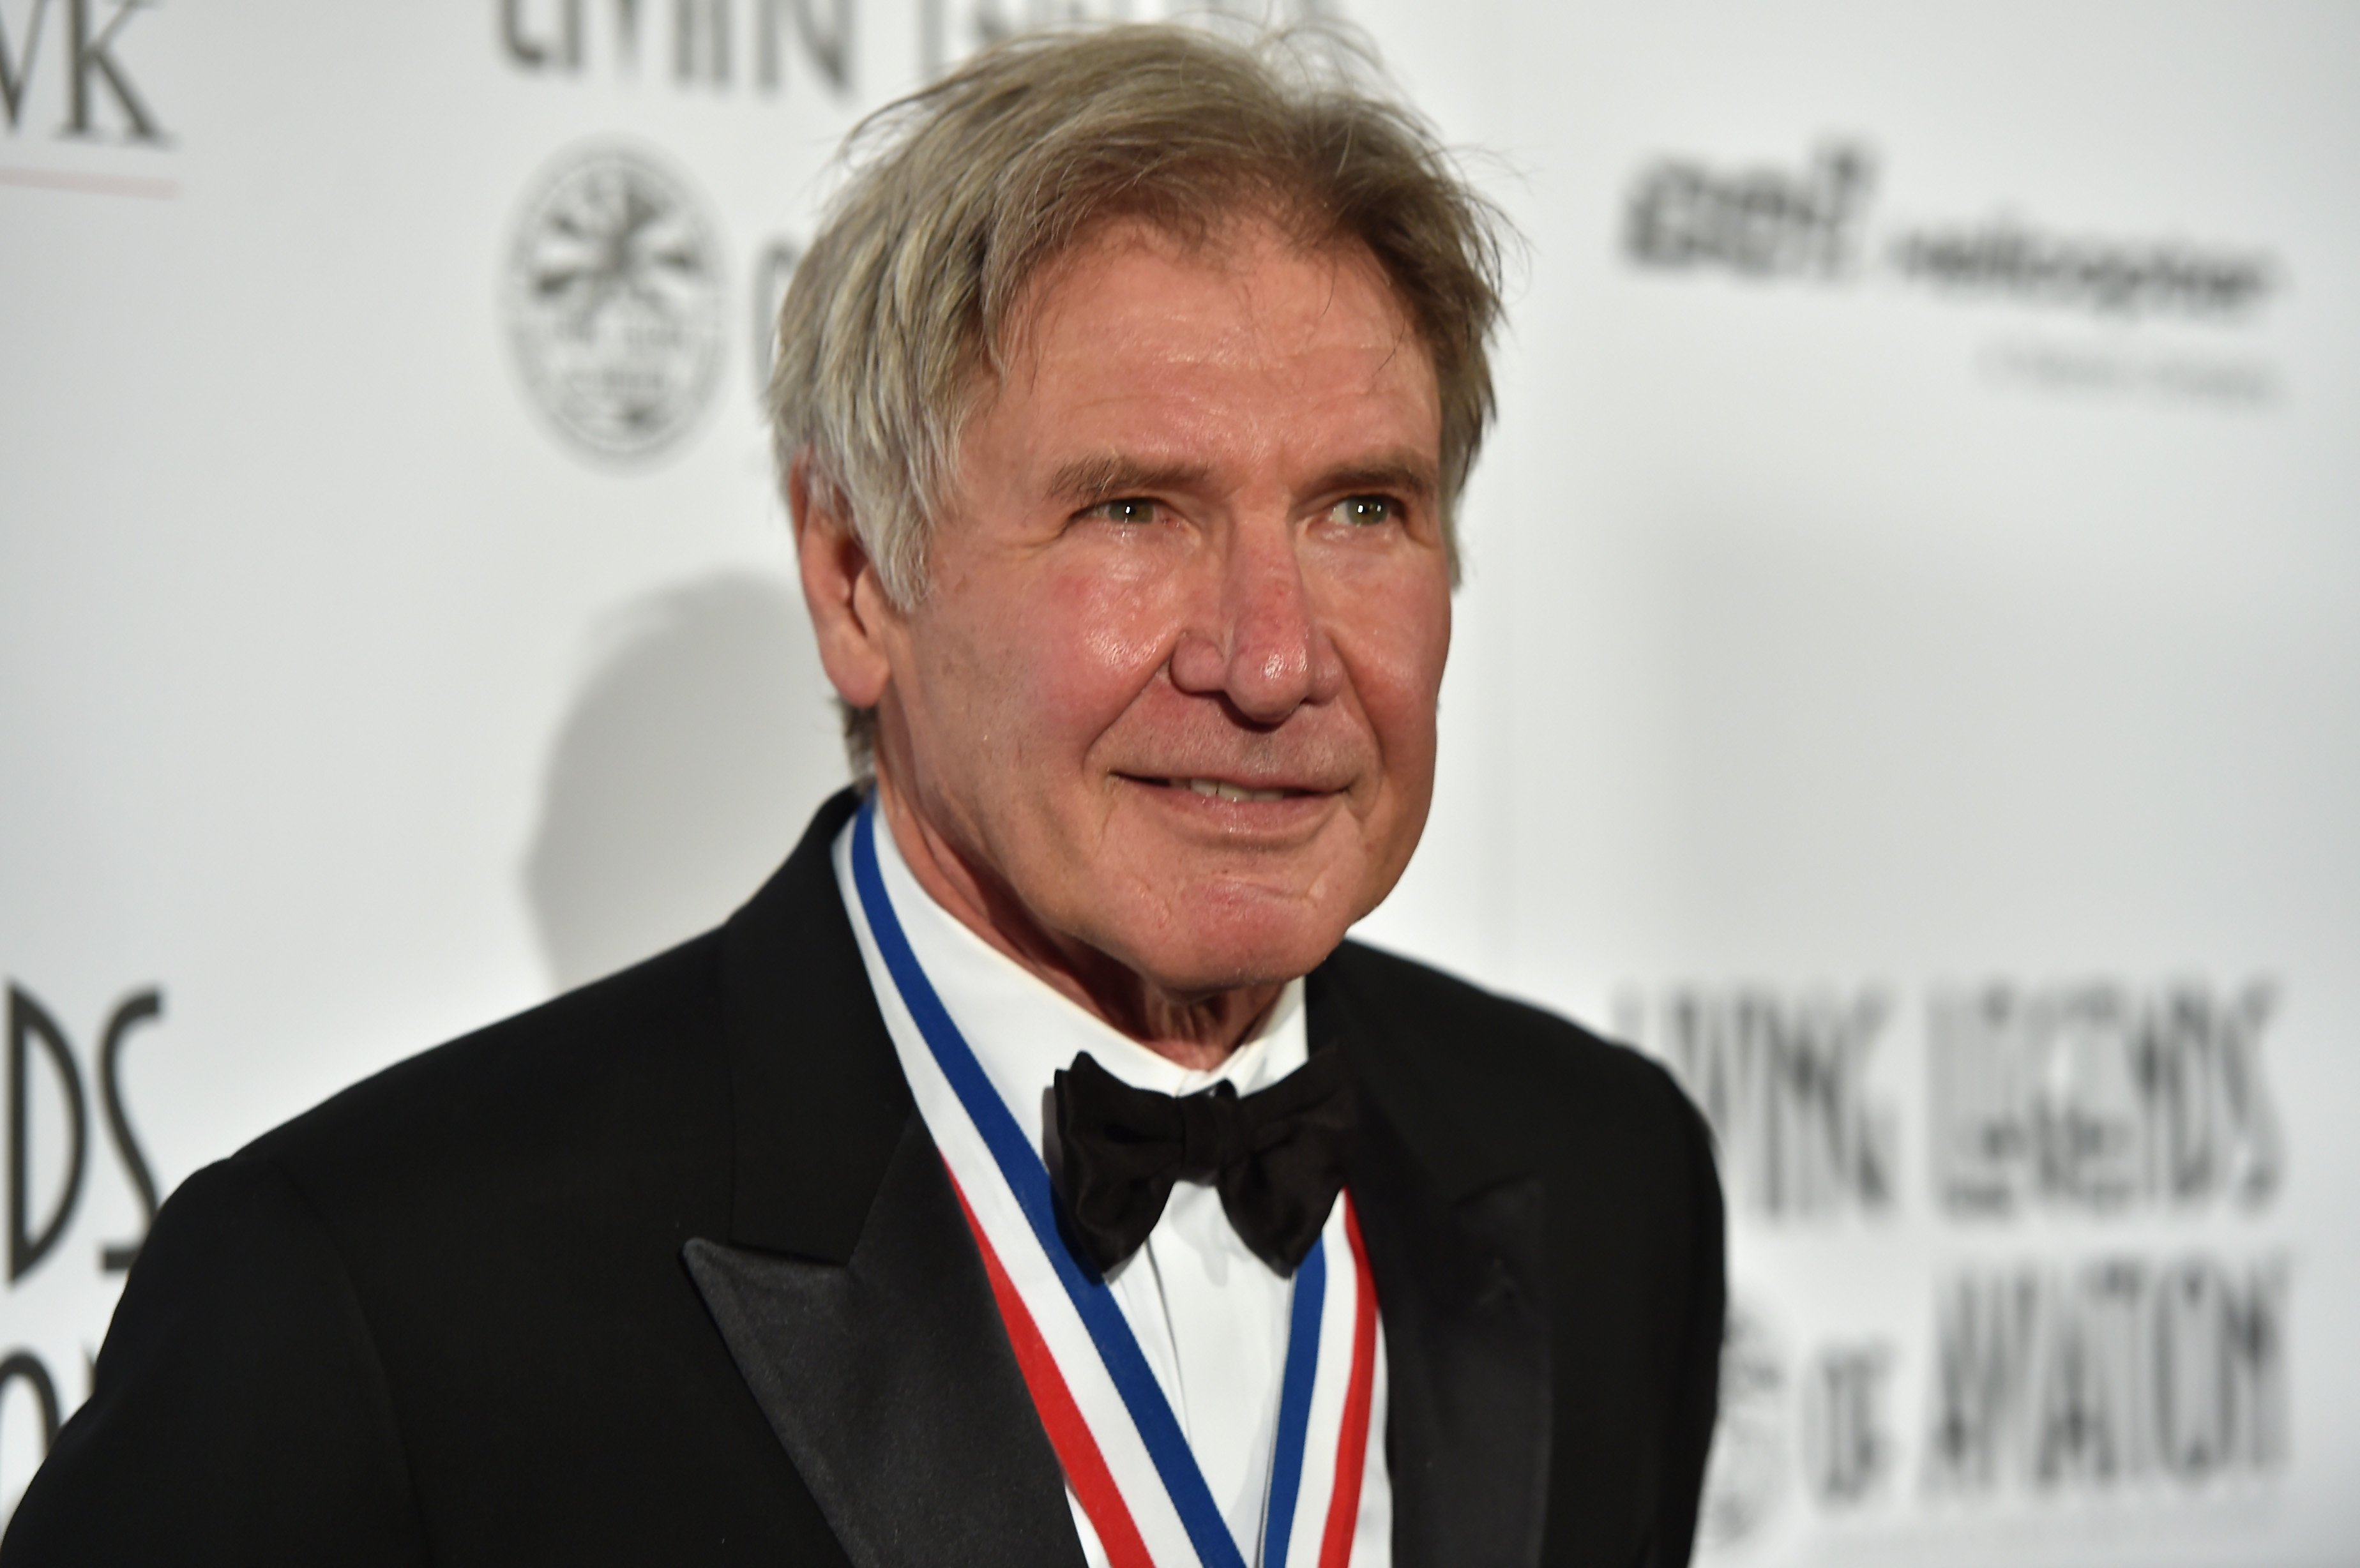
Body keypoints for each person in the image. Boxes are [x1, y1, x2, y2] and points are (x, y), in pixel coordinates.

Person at [3, 24, 1721, 1568]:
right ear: (855, 580)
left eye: (1361, 510)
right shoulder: (374, 1298)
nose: (1272, 663)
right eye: (1133, 510)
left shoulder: (1604, 1177)